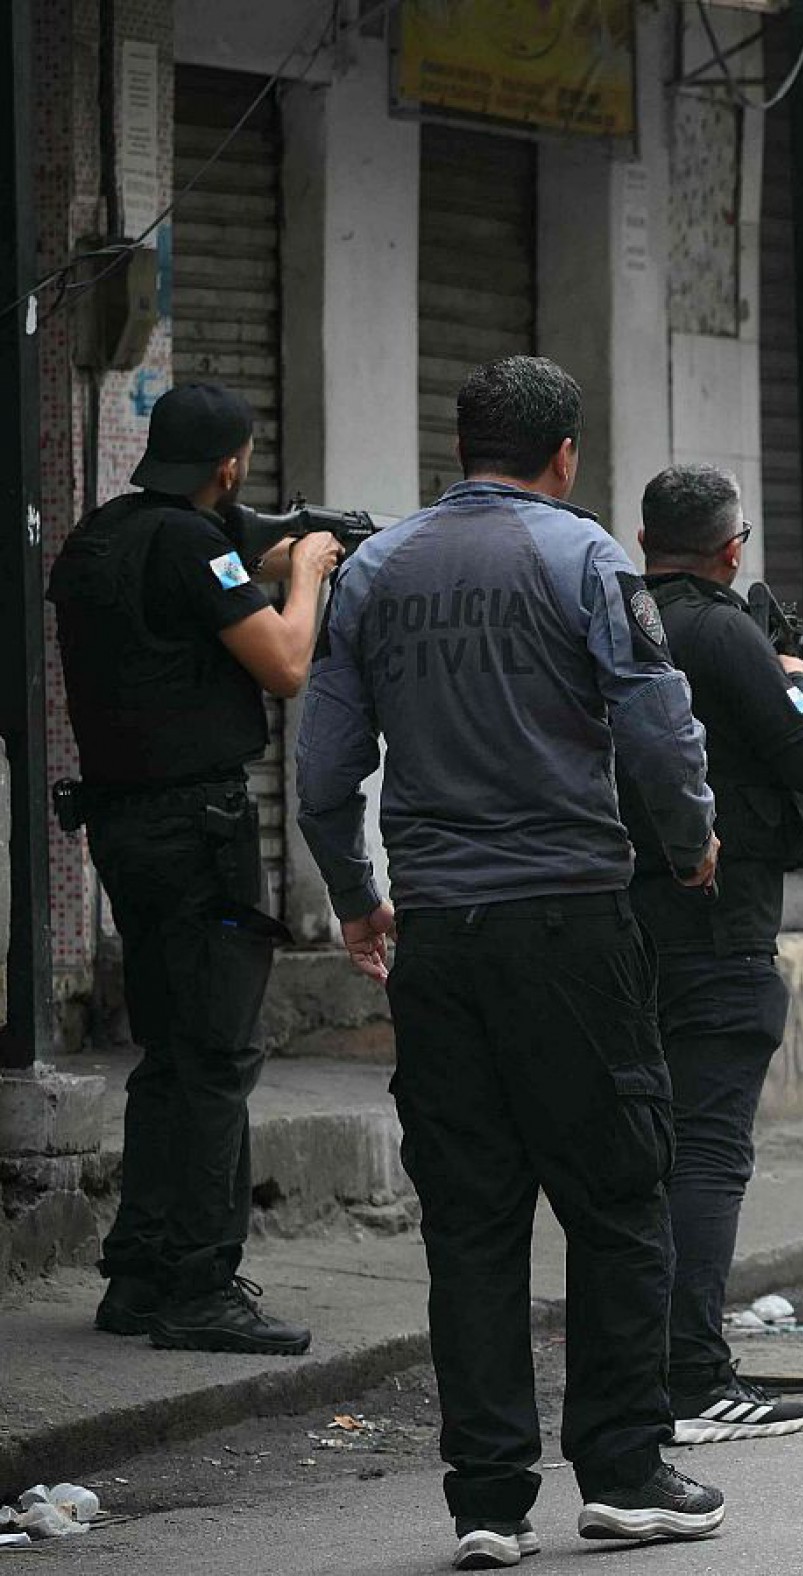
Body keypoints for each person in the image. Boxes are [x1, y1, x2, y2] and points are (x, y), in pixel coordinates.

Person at [294, 357, 730, 1571]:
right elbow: (654, 717)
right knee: (617, 1198)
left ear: (462, 442)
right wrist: (690, 841)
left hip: (438, 936)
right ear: (566, 452)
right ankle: (626, 1469)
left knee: (472, 1222)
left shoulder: (376, 568)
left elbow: (324, 768)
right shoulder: (583, 556)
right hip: (572, 928)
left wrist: (357, 898)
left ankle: (487, 1500)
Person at [47, 383, 339, 1354]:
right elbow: (287, 661)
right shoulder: (191, 546)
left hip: (125, 824)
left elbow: (170, 615)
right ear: (228, 466)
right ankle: (200, 1286)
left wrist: (256, 556)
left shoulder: (103, 536)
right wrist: (310, 572)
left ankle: (141, 1273)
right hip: (198, 828)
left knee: (171, 1052)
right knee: (216, 1055)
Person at [620, 465, 803, 1445]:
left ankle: (641, 1366)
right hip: (717, 919)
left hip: (620, 920)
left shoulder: (619, 615)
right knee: (708, 1147)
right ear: (730, 548)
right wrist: (801, 692)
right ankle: (694, 1378)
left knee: (644, 1148)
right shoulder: (721, 630)